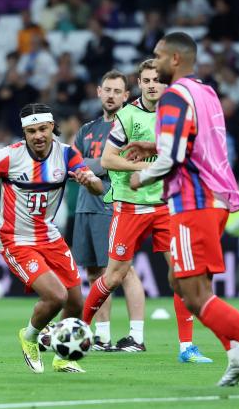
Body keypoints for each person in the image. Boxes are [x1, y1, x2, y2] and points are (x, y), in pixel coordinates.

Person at [124, 32, 239, 388]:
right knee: (181, 283)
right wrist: (150, 143)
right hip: (216, 199)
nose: (152, 63)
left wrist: (141, 176)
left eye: (157, 56)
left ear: (174, 58)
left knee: (194, 292)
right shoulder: (205, 92)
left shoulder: (173, 97)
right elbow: (195, 141)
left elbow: (172, 158)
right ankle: (236, 357)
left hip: (192, 201)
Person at [0, 103, 104, 374]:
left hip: (49, 236)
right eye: (31, 131)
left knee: (75, 301)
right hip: (16, 239)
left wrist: (88, 180)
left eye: (43, 129)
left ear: (52, 128)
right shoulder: (8, 157)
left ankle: (62, 357)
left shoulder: (67, 155)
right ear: (24, 133)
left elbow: (98, 187)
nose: (38, 136)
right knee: (55, 296)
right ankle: (30, 336)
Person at [83, 60, 212, 362]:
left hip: (167, 206)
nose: (152, 85)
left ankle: (186, 347)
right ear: (139, 84)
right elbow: (108, 160)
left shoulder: (175, 114)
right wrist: (144, 167)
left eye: (157, 80)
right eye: (146, 80)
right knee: (113, 276)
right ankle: (79, 327)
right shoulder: (127, 116)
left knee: (182, 274)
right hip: (131, 204)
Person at [72, 70, 146, 351]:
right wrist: (93, 165)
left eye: (118, 91)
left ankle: (137, 336)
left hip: (113, 204)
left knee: (122, 271)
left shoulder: (129, 125)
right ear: (99, 92)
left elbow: (108, 164)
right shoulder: (87, 129)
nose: (112, 95)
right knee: (94, 273)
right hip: (84, 207)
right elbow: (72, 163)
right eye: (108, 90)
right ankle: (102, 338)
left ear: (126, 96)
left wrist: (90, 165)